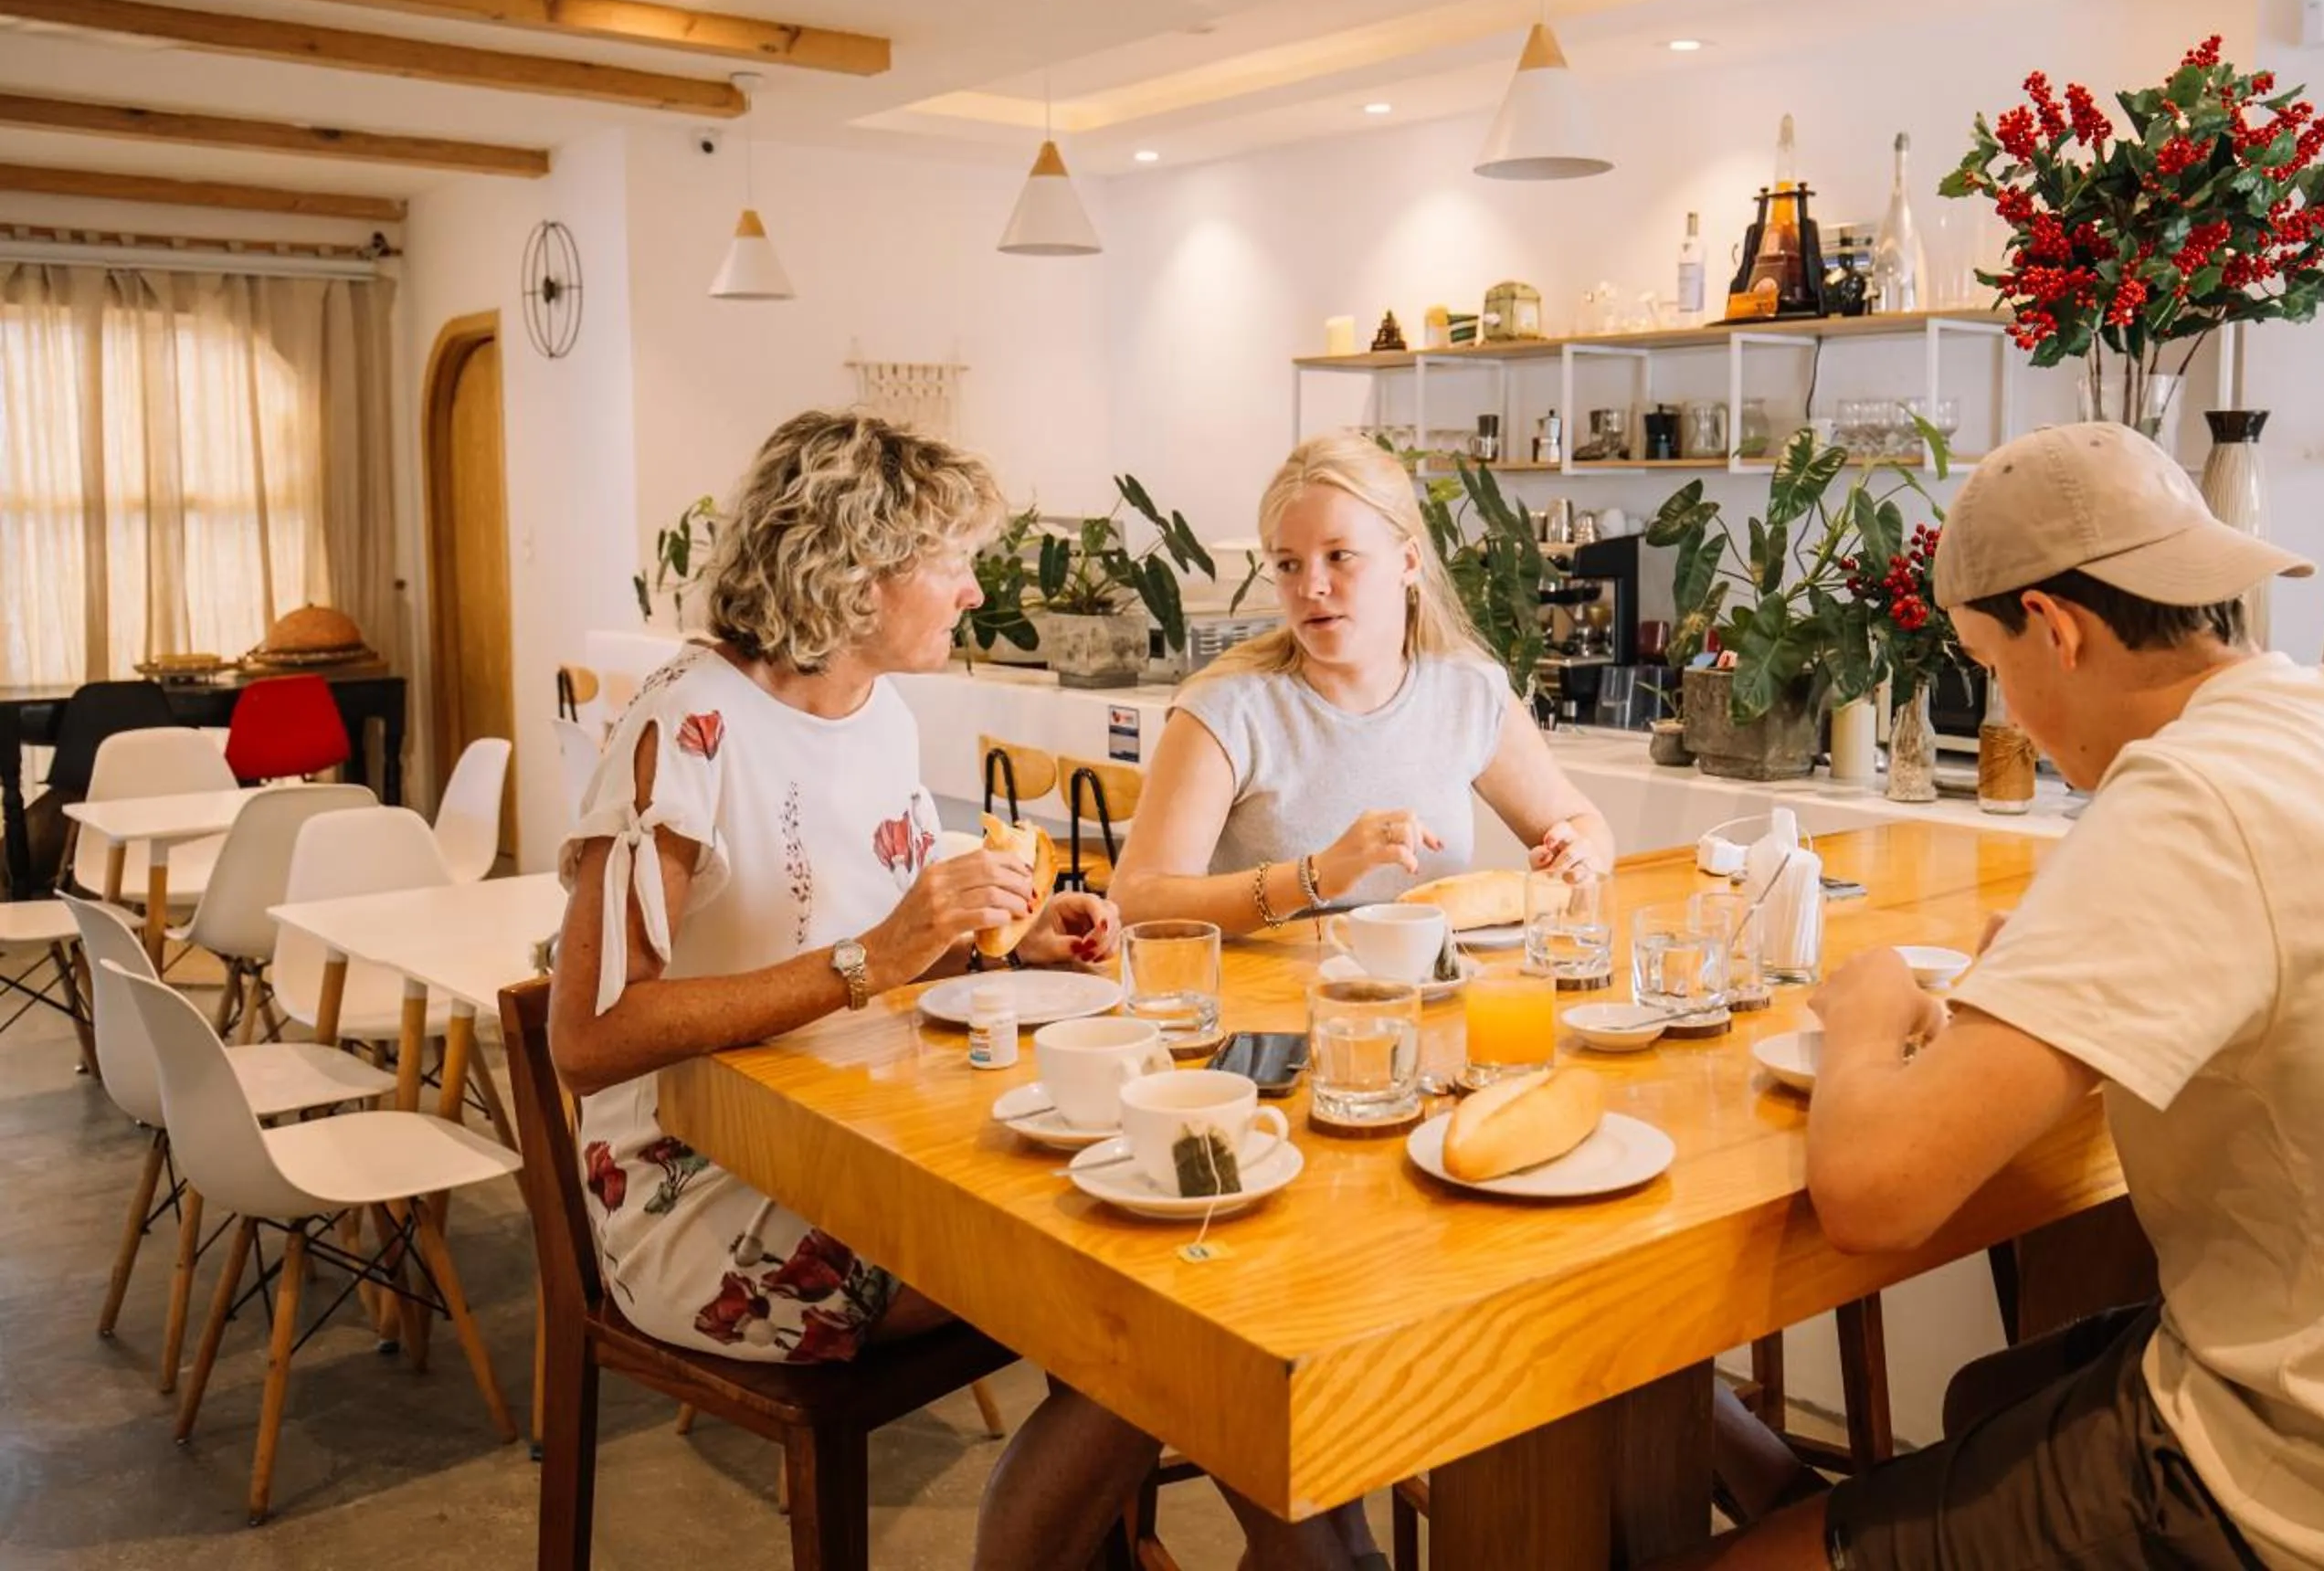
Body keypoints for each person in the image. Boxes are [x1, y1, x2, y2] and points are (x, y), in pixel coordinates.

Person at [1686, 422, 2324, 1570]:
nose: (2013, 718)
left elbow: (1873, 1195)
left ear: (2056, 628)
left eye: (1993, 670)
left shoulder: (2193, 792)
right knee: (1993, 1391)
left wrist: (1864, 1013)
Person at [550, 411, 1154, 1569]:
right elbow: (586, 1036)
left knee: (1145, 1250)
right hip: (704, 1196)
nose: (974, 592)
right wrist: (873, 959)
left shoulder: (880, 711)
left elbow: (885, 943)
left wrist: (1008, 944)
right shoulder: (686, 727)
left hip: (853, 1141)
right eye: (953, 561)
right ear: (856, 568)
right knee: (1129, 1307)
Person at [1111, 431, 1613, 933]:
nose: (1311, 587)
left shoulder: (1469, 693)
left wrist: (1579, 853)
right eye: (1288, 564)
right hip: (1272, 1007)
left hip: (1434, 1002)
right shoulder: (1225, 712)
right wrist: (1316, 877)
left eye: (1339, 555)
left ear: (1408, 561)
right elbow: (1136, 899)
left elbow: (1584, 826)